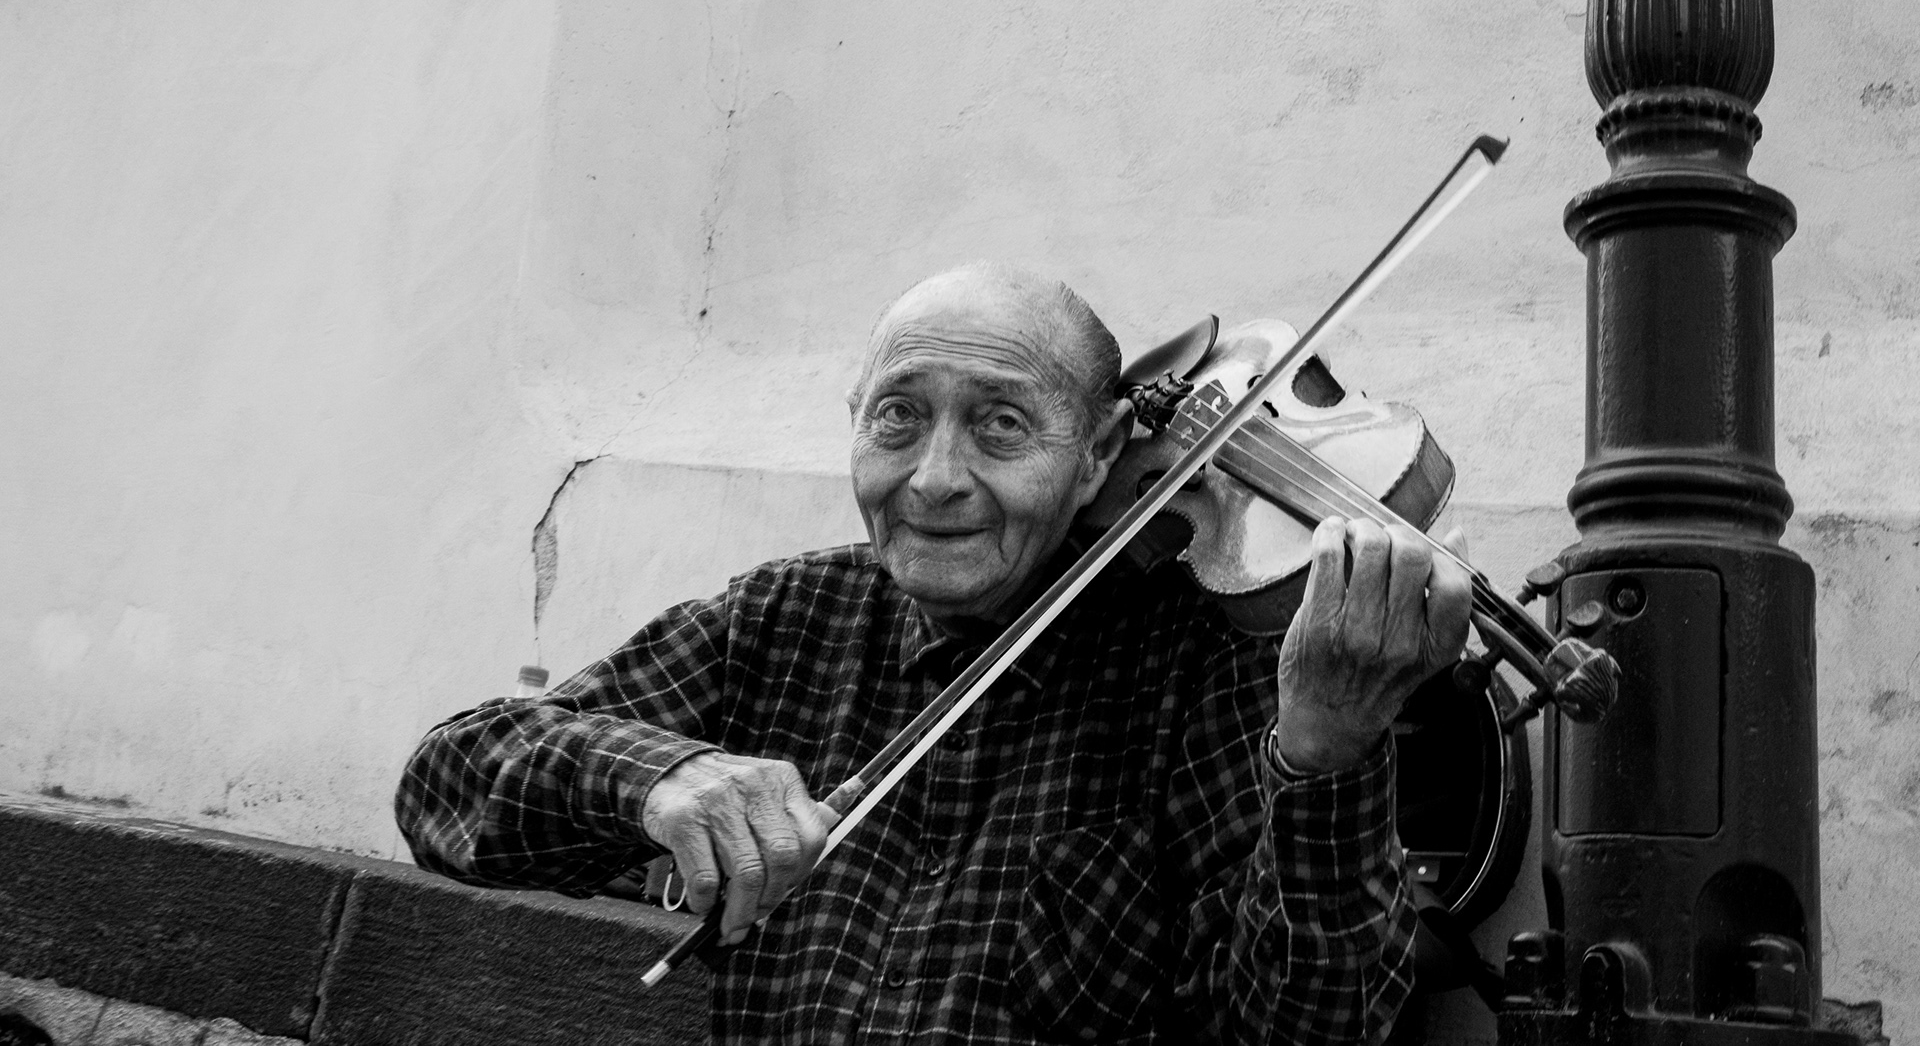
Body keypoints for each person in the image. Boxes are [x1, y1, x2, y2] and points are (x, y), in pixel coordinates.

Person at [395, 263, 1472, 1044]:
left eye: (1002, 425)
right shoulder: (787, 615)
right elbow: (448, 784)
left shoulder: (1207, 662)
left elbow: (1303, 1027)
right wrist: (662, 778)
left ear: (1100, 449)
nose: (934, 478)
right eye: (898, 418)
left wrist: (1328, 755)